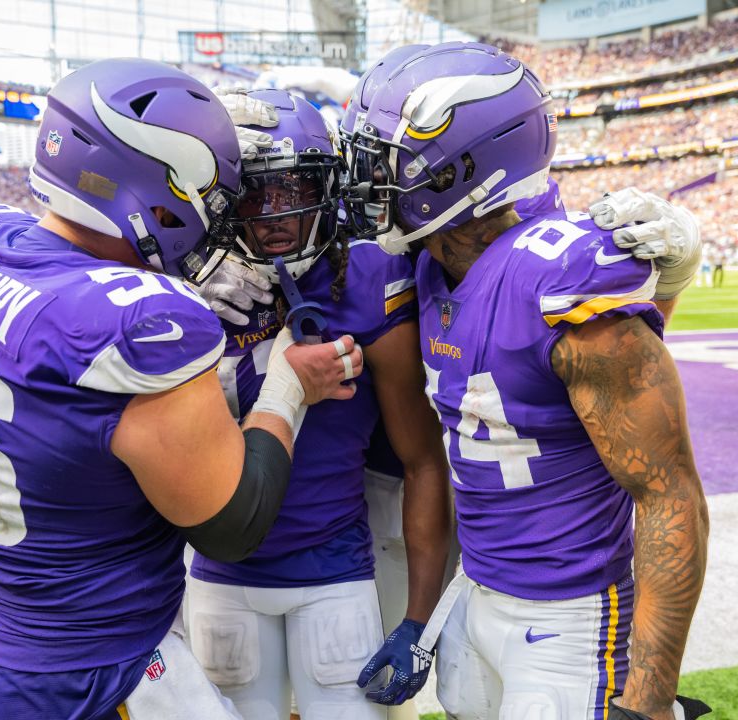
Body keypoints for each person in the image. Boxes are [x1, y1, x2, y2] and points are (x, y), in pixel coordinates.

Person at [0, 59, 364, 719]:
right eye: (211, 190)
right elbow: (234, 525)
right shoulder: (144, 324)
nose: (218, 215)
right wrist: (286, 388)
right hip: (94, 673)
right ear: (158, 189)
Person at [347, 42, 711, 720]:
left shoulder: (562, 281)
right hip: (479, 596)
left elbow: (669, 498)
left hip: (569, 619)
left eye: (381, 167)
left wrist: (649, 701)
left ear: (457, 172)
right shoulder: (429, 266)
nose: (364, 186)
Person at [184, 88, 452, 720]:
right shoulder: (181, 283)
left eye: (292, 189)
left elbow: (421, 460)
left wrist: (418, 618)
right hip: (220, 569)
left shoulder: (367, 276)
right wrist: (180, 293)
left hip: (335, 569)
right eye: (253, 193)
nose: (273, 214)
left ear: (327, 187)